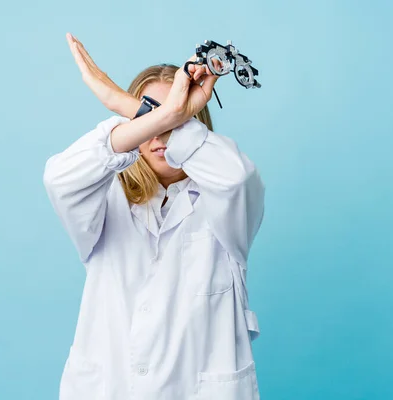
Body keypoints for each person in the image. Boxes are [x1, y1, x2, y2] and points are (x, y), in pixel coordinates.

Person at [43, 32, 265, 400]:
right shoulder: (103, 201)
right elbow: (58, 178)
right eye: (149, 116)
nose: (161, 131)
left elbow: (237, 178)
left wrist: (127, 104)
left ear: (195, 122)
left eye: (175, 117)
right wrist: (158, 114)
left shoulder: (227, 205)